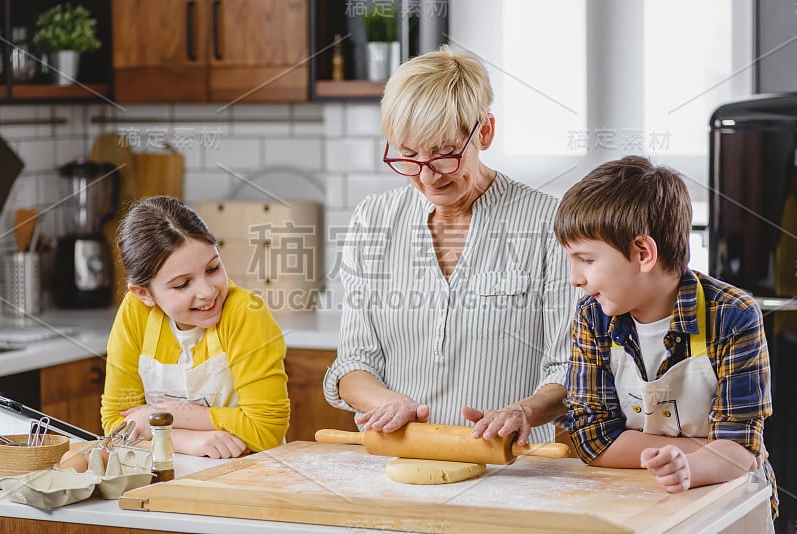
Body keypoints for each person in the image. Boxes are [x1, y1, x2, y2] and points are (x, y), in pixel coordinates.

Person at [322, 45, 578, 447]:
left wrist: (522, 412)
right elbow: (354, 362)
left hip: (512, 468)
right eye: (408, 156)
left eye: (444, 154)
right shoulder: (373, 220)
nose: (427, 176)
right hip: (402, 461)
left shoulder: (549, 222)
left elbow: (569, 367)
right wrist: (387, 402)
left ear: (485, 132)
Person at [553, 156, 778, 520]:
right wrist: (706, 450)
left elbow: (740, 457)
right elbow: (593, 441)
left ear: (643, 253)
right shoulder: (592, 317)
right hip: (637, 507)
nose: (574, 278)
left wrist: (693, 468)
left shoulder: (732, 316)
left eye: (586, 260)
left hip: (730, 511)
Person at [101, 196, 289, 458]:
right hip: (165, 477)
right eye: (182, 284)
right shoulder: (136, 312)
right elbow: (117, 424)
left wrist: (164, 417)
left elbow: (266, 430)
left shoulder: (245, 312)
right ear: (144, 293)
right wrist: (183, 440)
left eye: (213, 268)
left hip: (250, 475)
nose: (207, 292)